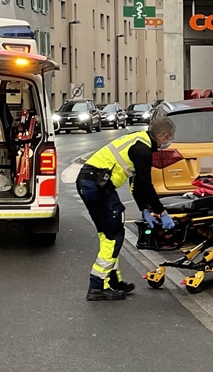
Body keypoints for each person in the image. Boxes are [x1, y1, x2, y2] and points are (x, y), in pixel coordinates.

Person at [76, 115, 177, 301]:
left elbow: (137, 183)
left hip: (96, 184)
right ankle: (97, 285)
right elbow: (146, 185)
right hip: (97, 185)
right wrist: (161, 211)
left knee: (110, 233)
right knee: (112, 236)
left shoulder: (139, 140)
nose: (169, 141)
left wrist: (144, 208)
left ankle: (112, 281)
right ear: (162, 135)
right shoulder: (142, 150)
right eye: (170, 137)